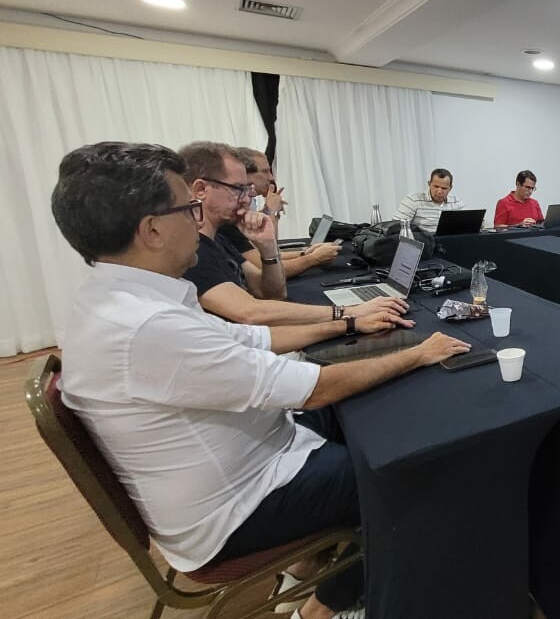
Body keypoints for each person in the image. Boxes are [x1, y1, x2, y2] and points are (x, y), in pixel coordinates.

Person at [51, 142, 473, 619]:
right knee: (410, 472)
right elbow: (312, 384)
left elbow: (250, 338)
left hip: (235, 469)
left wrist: (347, 323)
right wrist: (419, 353)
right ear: (151, 230)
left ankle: (312, 563)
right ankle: (325, 607)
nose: (196, 219)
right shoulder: (148, 327)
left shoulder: (122, 298)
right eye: (187, 208)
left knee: (354, 416)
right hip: (239, 505)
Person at [178, 142, 405, 326]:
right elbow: (250, 312)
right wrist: (348, 313)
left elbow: (273, 293)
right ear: (200, 189)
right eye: (239, 189)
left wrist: (268, 247)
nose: (247, 198)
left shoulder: (218, 239)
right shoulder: (192, 251)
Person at [219, 148, 340, 278]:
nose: (271, 177)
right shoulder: (227, 220)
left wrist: (306, 253)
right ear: (244, 174)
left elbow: (268, 255)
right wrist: (313, 259)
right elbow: (268, 267)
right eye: (265, 171)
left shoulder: (246, 208)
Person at [394, 168, 463, 234]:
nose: (439, 191)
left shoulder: (456, 203)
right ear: (429, 184)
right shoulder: (412, 200)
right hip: (423, 241)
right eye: (436, 186)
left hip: (449, 241)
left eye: (444, 188)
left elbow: (467, 227)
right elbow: (395, 227)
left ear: (450, 188)